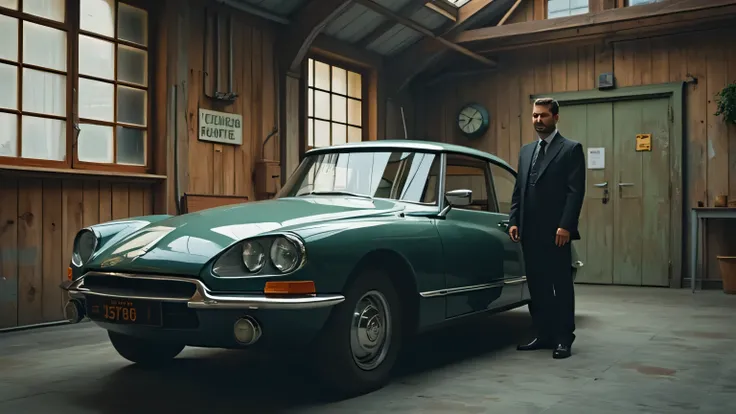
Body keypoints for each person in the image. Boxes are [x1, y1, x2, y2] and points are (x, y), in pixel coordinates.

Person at [507, 97, 586, 359]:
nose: (538, 120)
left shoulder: (571, 149)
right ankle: (543, 333)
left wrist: (566, 226)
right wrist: (514, 220)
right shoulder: (526, 151)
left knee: (560, 286)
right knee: (538, 287)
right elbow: (519, 190)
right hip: (529, 232)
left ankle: (564, 338)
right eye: (534, 116)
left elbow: (575, 193)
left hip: (557, 234)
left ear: (556, 117)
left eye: (543, 116)